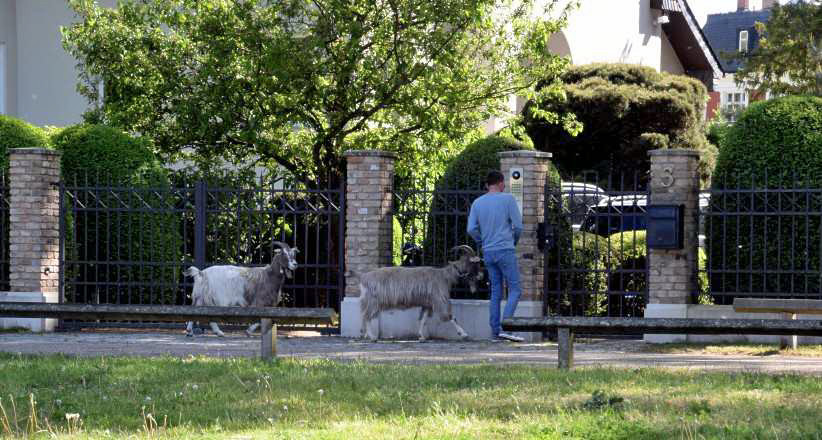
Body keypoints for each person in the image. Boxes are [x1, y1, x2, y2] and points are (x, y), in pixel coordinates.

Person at [467, 170, 525, 342]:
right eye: (504, 183)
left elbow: (471, 229)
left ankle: (495, 332)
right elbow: (519, 226)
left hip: (488, 252)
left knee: (496, 291)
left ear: (487, 184)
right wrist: (513, 242)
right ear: (500, 183)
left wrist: (482, 241)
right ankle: (506, 326)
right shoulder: (508, 199)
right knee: (515, 289)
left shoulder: (477, 203)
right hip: (505, 249)